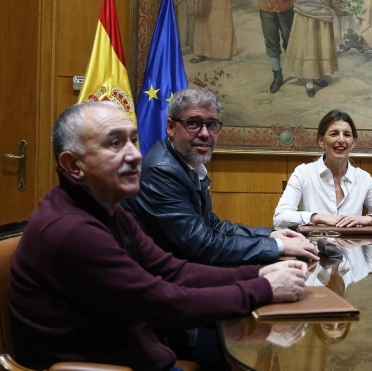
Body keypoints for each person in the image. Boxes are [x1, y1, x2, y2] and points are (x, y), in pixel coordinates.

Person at [8, 101, 309, 370]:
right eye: (115, 144)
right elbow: (162, 301)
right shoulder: (72, 230)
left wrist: (257, 271)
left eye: (133, 141)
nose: (135, 155)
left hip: (138, 352)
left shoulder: (109, 209)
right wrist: (263, 288)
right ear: (73, 165)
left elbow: (170, 269)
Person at [124, 88, 318, 265]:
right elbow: (201, 245)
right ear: (170, 127)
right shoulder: (162, 170)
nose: (205, 134)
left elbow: (211, 225)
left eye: (212, 125)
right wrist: (278, 247)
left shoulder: (185, 165)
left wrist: (271, 235)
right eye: (193, 124)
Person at [273, 109, 372, 230]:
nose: (341, 140)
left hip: (353, 251)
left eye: (347, 135)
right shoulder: (303, 173)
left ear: (353, 142)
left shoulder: (363, 178)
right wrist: (316, 217)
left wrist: (369, 219)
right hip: (313, 250)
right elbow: (279, 218)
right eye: (334, 134)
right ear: (321, 140)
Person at [281, 0, 337, 98]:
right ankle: (309, 82)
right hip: (305, 12)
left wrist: (341, 6)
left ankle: (316, 76)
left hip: (322, 13)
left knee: (319, 46)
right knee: (308, 46)